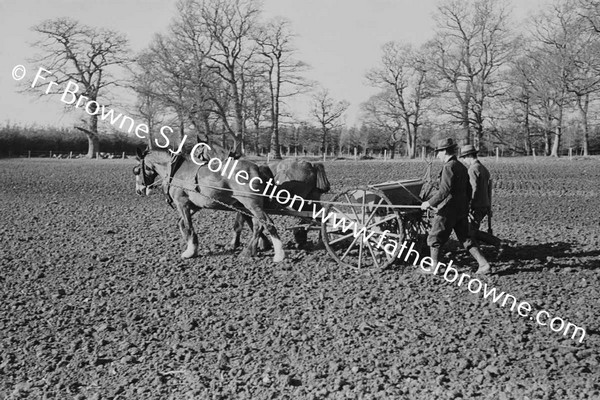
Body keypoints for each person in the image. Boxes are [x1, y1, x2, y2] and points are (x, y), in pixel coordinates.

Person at [420, 138, 491, 275]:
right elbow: (469, 189)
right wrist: (465, 204)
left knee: (435, 237)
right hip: (461, 209)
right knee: (465, 238)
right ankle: (484, 264)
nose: (437, 155)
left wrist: (428, 203)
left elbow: (443, 191)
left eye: (438, 152)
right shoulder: (461, 166)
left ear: (445, 151)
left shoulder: (448, 167)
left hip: (448, 209)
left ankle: (435, 267)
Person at [459, 144, 496, 246]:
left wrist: (470, 205)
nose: (463, 161)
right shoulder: (483, 168)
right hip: (484, 204)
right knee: (473, 230)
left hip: (477, 205)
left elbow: (473, 188)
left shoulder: (472, 170)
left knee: (471, 231)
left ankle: (498, 243)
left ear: (470, 156)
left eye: (464, 158)